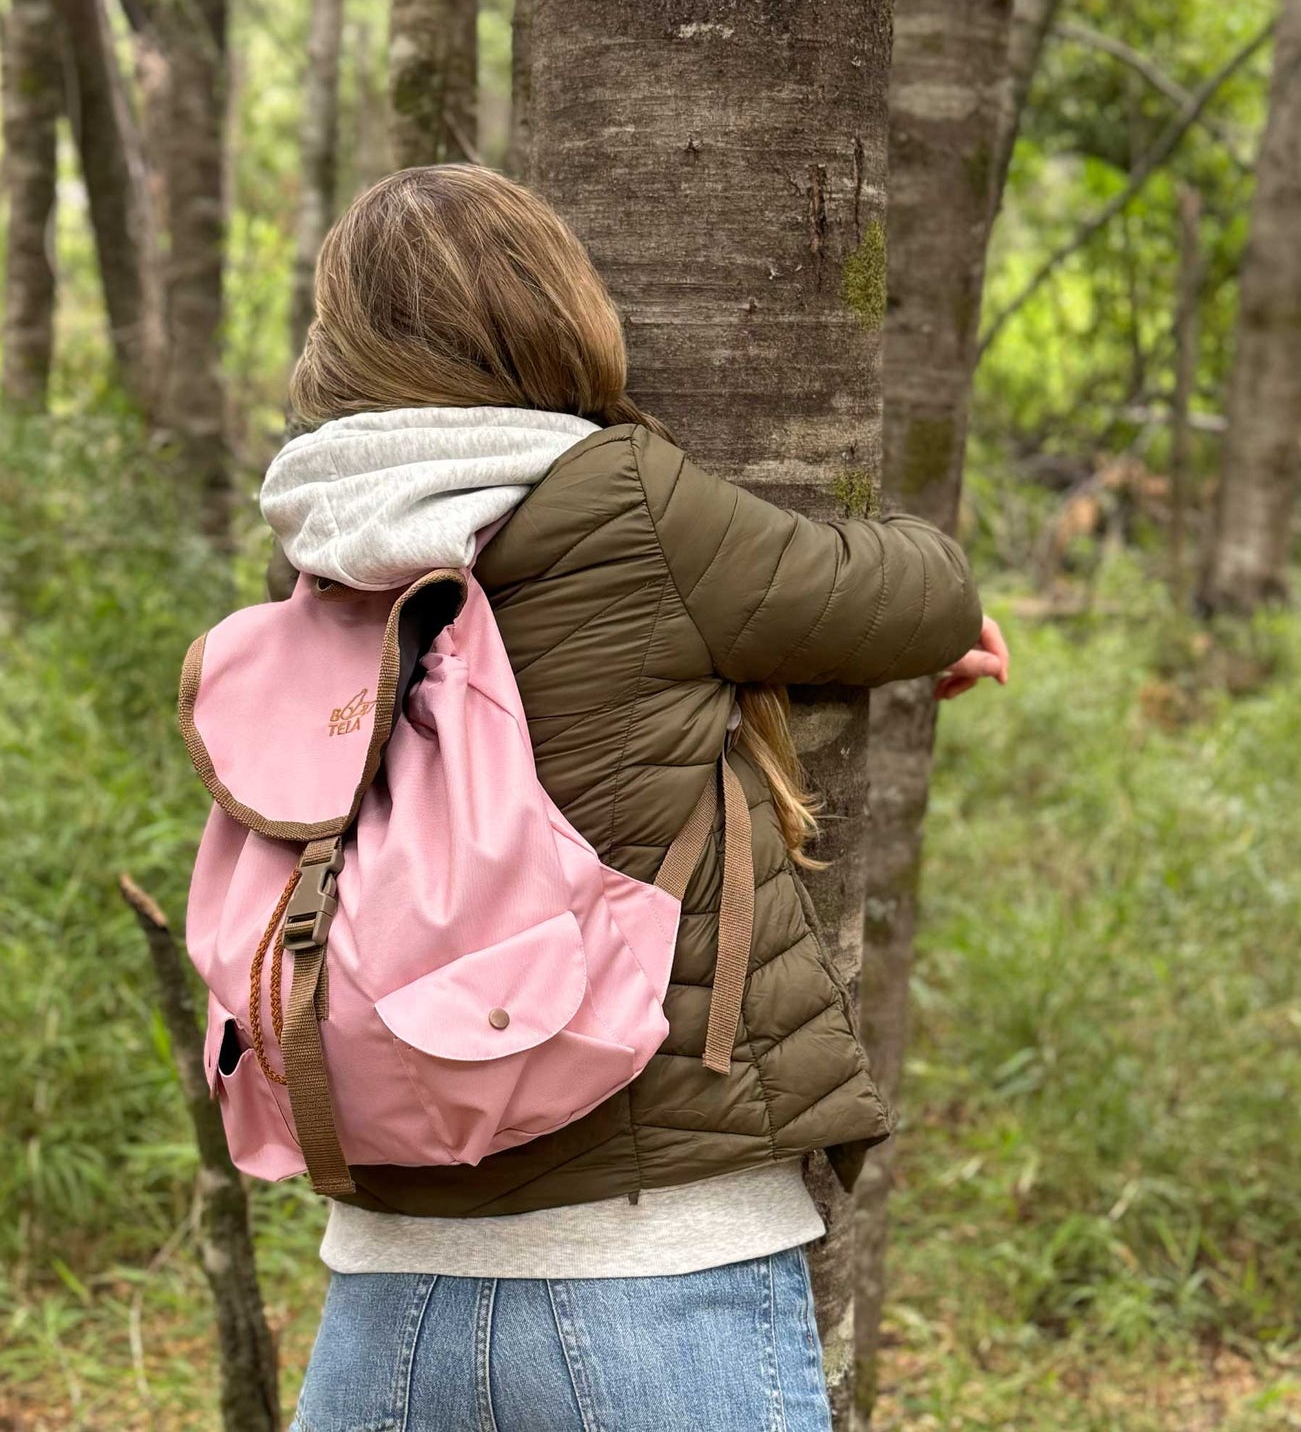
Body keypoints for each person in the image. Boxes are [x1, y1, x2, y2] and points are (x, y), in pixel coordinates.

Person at [262, 163, 1008, 1432]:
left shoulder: (317, 541)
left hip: (383, 1284)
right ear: (546, 309)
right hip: (652, 1268)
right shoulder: (615, 496)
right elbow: (907, 590)